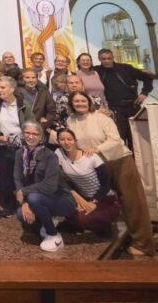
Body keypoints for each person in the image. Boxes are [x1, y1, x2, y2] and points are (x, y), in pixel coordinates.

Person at [66, 91, 155, 256]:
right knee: (103, 200)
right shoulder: (70, 120)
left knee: (132, 202)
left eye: (83, 100)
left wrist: (97, 149)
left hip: (119, 161)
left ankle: (143, 244)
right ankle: (105, 229)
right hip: (96, 166)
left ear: (89, 102)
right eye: (76, 101)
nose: (80, 104)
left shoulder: (101, 117)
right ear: (71, 104)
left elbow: (115, 140)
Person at [14, 121, 75, 252]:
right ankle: (48, 219)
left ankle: (54, 235)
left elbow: (50, 186)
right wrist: (24, 203)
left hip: (61, 199)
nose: (31, 136)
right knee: (20, 213)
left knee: (34, 198)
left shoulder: (50, 156)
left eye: (35, 134)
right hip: (37, 198)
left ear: (41, 137)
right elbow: (18, 179)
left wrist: (24, 191)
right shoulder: (20, 153)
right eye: (27, 133)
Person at [56, 128, 119, 234]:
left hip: (104, 198)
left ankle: (103, 225)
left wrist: (94, 202)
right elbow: (58, 177)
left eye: (69, 139)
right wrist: (78, 199)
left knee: (82, 219)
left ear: (75, 141)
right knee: (63, 207)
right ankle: (81, 222)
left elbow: (106, 184)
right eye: (62, 139)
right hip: (83, 197)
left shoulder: (91, 157)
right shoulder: (59, 153)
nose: (66, 142)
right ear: (58, 142)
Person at [0, 76, 34, 217]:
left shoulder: (23, 105)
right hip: (3, 147)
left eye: (3, 87)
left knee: (21, 177)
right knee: (5, 177)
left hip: (21, 147)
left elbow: (31, 124)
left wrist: (25, 138)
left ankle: (23, 203)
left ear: (12, 89)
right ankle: (8, 205)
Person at [94, 48, 153, 149]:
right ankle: (125, 158)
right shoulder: (97, 70)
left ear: (113, 58)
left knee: (136, 136)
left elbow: (147, 78)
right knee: (119, 136)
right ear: (99, 59)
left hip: (133, 106)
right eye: (103, 59)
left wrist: (144, 93)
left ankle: (136, 158)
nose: (107, 61)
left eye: (109, 58)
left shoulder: (125, 68)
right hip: (114, 108)